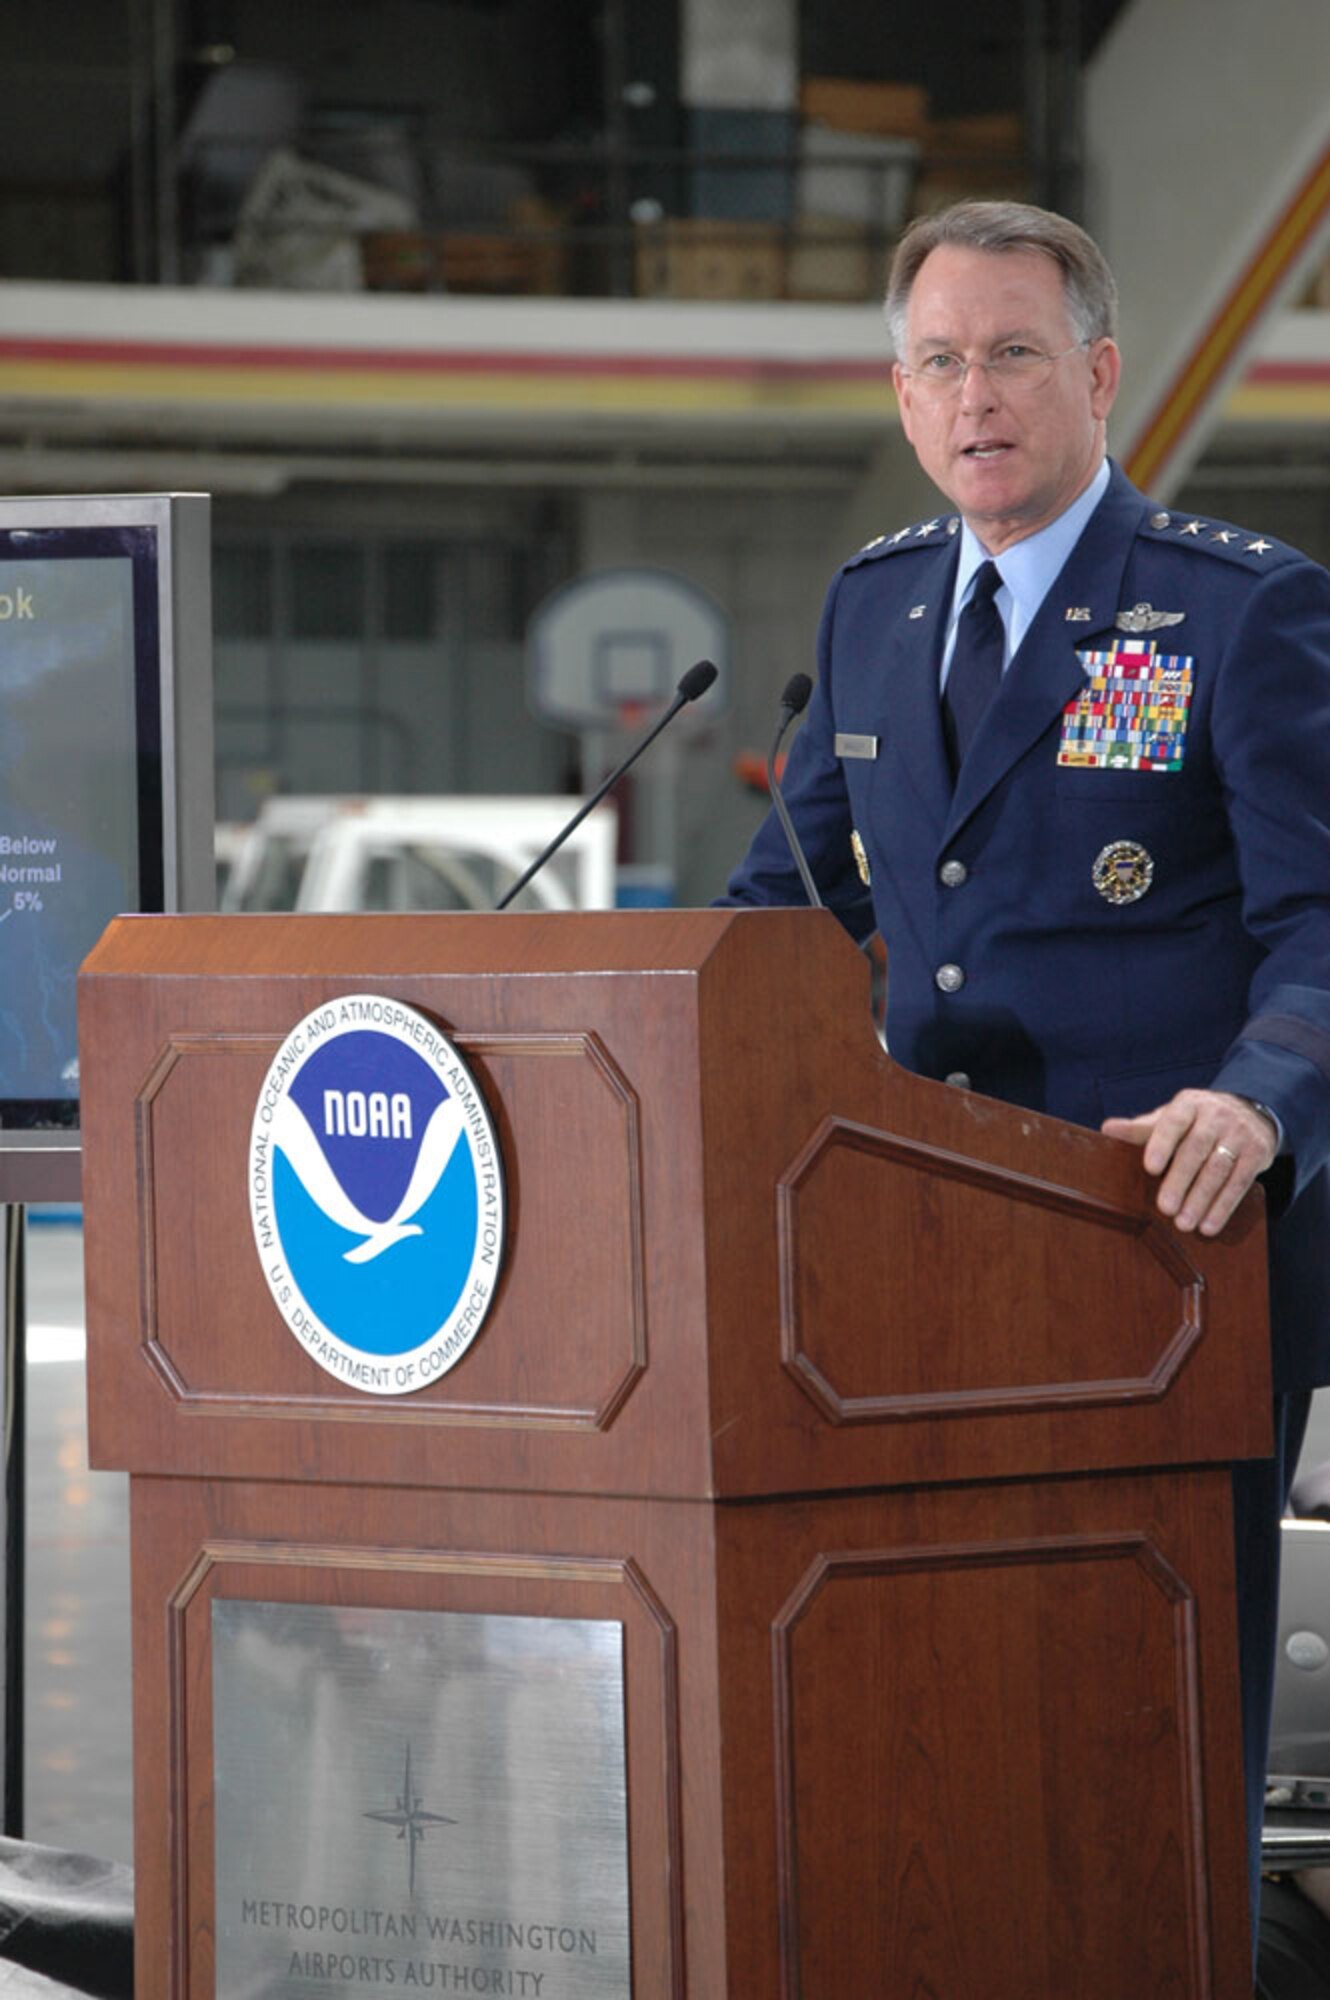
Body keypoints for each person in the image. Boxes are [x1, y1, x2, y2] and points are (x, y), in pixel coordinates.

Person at [719, 198, 1330, 1937]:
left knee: (1146, 1707)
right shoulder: (871, 611)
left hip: (1164, 1236)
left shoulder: (1233, 611)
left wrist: (1258, 1097)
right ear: (901, 400)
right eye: (936, 361)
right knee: (930, 1691)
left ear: (1099, 377)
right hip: (908, 1247)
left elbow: (1319, 913)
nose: (971, 393)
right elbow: (788, 913)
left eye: (1009, 353)